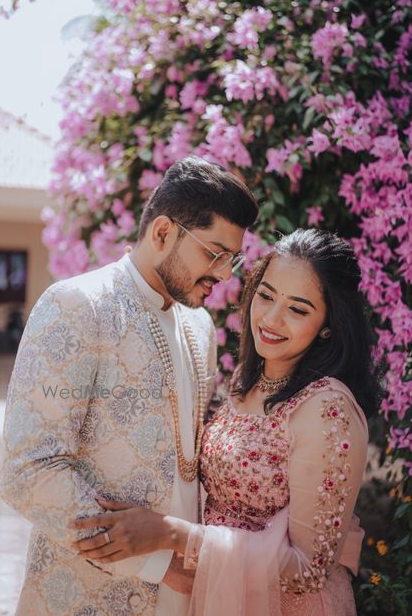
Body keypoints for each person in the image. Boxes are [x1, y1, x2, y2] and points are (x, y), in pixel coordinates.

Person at [72, 228, 381, 615]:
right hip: (219, 595)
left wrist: (170, 534)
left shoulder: (327, 409)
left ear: (328, 324)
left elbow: (307, 570)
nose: (271, 318)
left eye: (298, 310)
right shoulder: (245, 383)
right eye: (266, 296)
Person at [0, 155, 259, 616]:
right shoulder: (78, 306)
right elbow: (28, 470)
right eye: (214, 254)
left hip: (185, 596)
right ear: (163, 233)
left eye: (231, 260)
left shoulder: (199, 326)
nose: (223, 275)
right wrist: (157, 562)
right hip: (87, 596)